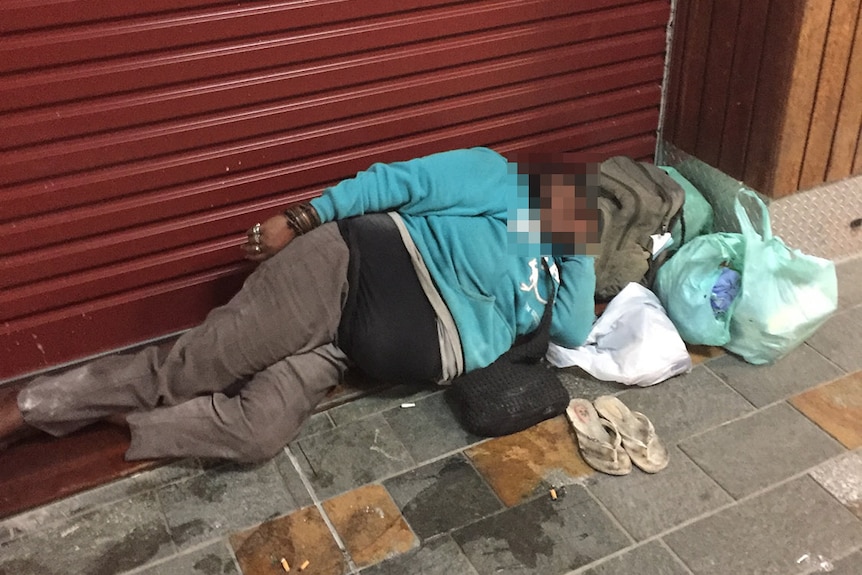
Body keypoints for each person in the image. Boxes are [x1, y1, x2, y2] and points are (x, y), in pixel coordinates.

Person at [0, 148, 599, 463]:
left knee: (257, 435)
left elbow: (573, 330)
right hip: (342, 275)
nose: (581, 208)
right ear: (557, 185)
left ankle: (114, 423)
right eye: (580, 197)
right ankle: (27, 408)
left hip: (347, 349)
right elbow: (401, 181)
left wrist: (580, 253)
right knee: (190, 369)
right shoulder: (503, 182)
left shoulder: (557, 275)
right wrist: (301, 217)